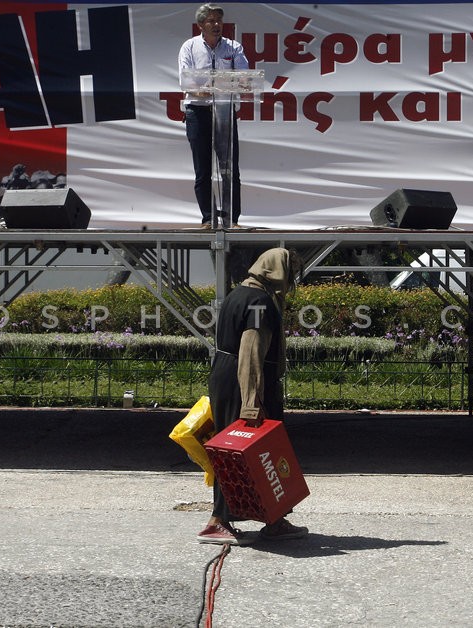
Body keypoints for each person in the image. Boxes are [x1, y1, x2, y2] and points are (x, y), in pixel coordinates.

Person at [198, 247, 309, 545]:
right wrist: (251, 403)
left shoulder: (241, 293)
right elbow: (251, 352)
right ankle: (217, 522)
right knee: (234, 454)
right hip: (243, 381)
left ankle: (274, 519)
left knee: (263, 454)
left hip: (229, 376)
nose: (292, 280)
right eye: (291, 272)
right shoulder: (259, 301)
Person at [178, 4, 248, 229]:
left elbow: (245, 79)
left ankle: (231, 219)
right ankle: (208, 218)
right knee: (203, 169)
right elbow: (186, 82)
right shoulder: (189, 47)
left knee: (229, 169)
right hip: (198, 111)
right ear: (201, 25)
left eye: (219, 20)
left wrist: (216, 86)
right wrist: (210, 88)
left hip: (225, 112)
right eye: (211, 20)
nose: (217, 24)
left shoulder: (233, 47)